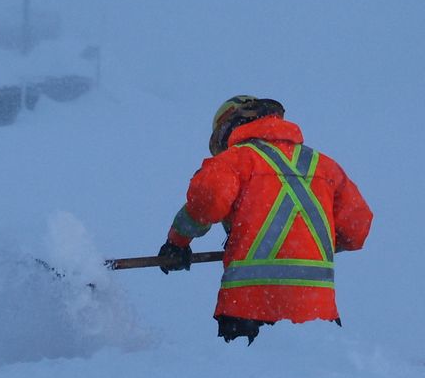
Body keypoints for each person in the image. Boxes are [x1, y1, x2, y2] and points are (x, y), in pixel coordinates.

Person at [157, 95, 372, 344]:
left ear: (229, 127)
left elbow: (207, 202)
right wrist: (302, 244)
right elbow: (356, 229)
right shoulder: (324, 166)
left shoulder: (236, 160)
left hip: (249, 309)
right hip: (317, 313)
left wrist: (177, 244)